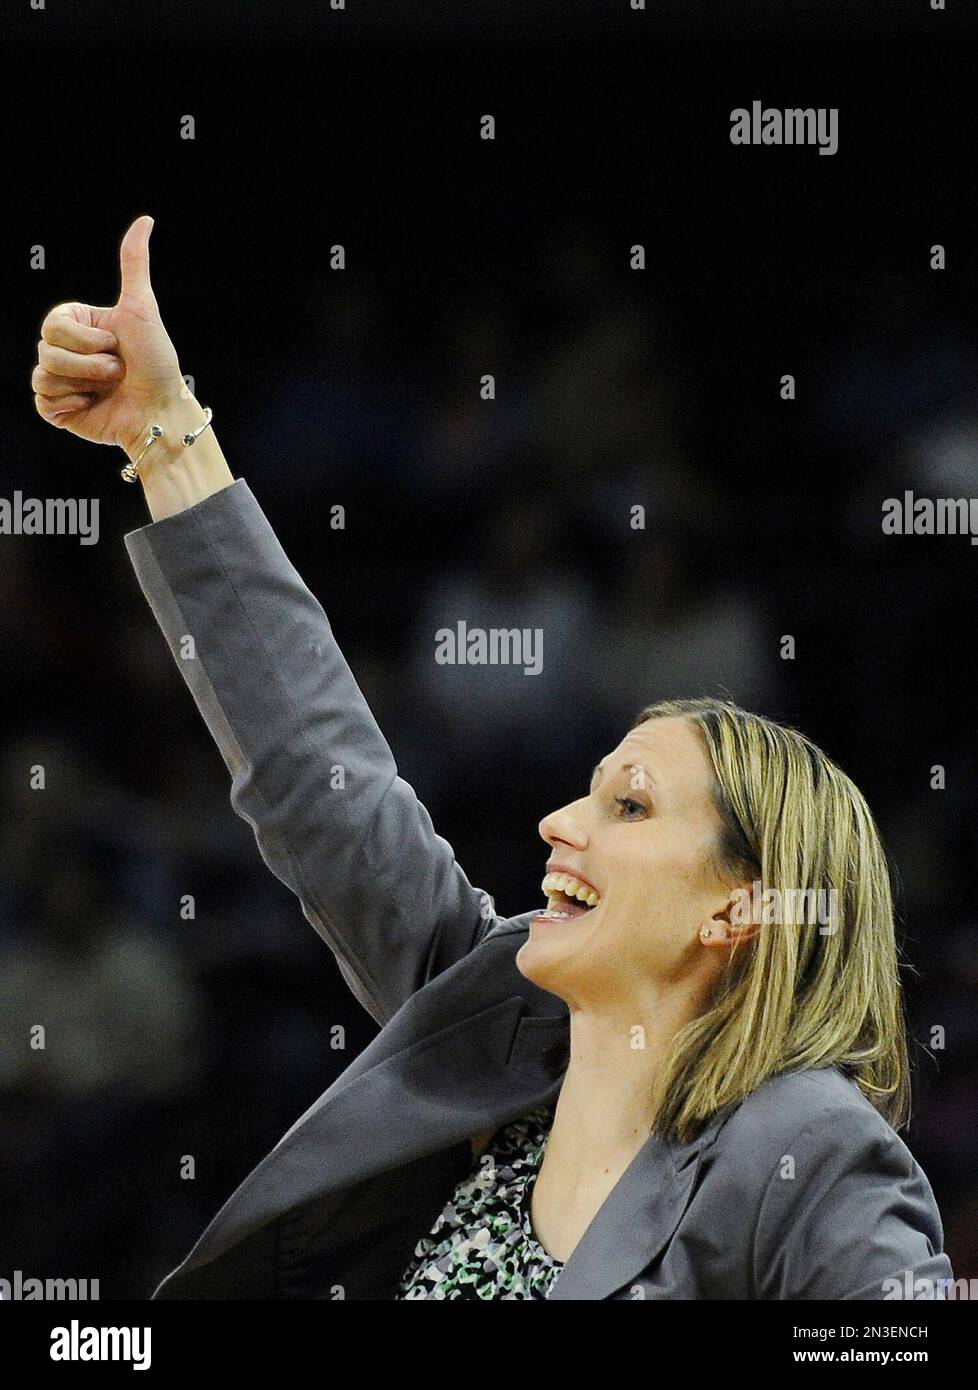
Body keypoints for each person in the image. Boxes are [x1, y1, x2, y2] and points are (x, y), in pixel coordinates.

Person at [29, 217, 954, 1300]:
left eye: (633, 806)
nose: (563, 821)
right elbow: (316, 772)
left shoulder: (810, 1148)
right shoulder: (481, 1030)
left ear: (738, 909)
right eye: (593, 792)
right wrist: (163, 433)